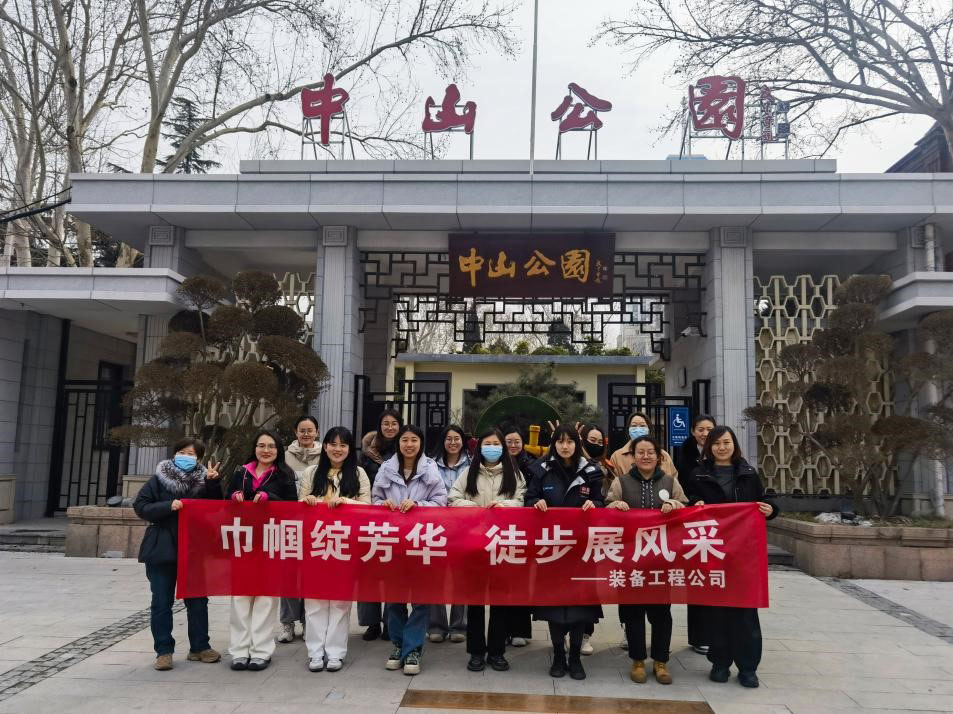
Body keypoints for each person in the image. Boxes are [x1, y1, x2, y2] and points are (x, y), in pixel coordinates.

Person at [690, 425, 779, 689]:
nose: (721, 447)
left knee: (745, 612)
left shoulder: (748, 473)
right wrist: (694, 503)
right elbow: (689, 499)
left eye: (726, 442)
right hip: (713, 552)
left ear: (734, 445)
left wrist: (771, 509)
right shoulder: (698, 474)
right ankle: (720, 663)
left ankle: (748, 667)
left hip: (744, 553)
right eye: (716, 443)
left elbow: (766, 499)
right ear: (709, 447)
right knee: (717, 612)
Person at [134, 438, 223, 671]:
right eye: (182, 452)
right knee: (161, 601)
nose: (186, 457)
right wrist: (167, 506)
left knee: (198, 600)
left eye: (191, 454)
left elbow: (216, 508)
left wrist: (213, 483)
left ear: (199, 459)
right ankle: (164, 651)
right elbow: (141, 506)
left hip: (194, 547)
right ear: (174, 454)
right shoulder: (158, 479)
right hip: (162, 548)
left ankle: (200, 647)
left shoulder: (205, 480)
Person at [606, 434, 688, 686]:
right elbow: (605, 509)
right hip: (630, 560)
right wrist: (614, 506)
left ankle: (661, 661)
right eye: (640, 452)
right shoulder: (621, 482)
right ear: (633, 456)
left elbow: (687, 508)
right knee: (633, 611)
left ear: (658, 456)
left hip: (661, 560)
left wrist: (675, 504)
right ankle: (638, 660)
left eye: (650, 452)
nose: (645, 456)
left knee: (661, 612)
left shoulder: (670, 481)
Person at [524, 424, 604, 681]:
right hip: (552, 551)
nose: (565, 446)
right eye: (560, 441)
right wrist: (535, 502)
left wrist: (595, 504)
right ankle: (559, 655)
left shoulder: (591, 471)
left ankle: (576, 658)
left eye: (570, 441)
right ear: (554, 444)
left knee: (580, 607)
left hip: (582, 550)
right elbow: (529, 498)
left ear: (576, 444)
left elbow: (602, 501)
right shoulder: (541, 469)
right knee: (555, 607)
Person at [448, 428, 527, 673]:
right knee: (475, 602)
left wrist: (503, 505)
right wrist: (474, 508)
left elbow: (521, 501)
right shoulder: (468, 472)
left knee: (500, 602)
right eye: (487, 444)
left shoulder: (514, 474)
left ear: (503, 448)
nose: (492, 448)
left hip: (502, 545)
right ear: (479, 447)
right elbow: (452, 498)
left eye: (496, 444)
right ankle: (476, 652)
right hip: (473, 545)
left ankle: (497, 652)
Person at [372, 424, 448, 676]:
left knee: (421, 598)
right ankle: (398, 644)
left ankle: (413, 647)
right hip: (392, 542)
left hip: (421, 542)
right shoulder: (386, 468)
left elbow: (441, 502)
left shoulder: (431, 468)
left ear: (421, 443)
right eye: (405, 440)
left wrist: (417, 505)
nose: (409, 444)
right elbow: (374, 500)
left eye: (414, 440)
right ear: (398, 443)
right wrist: (383, 505)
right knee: (394, 597)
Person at [299, 426, 371, 672]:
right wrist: (308, 501)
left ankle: (335, 653)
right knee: (315, 600)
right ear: (325, 446)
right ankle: (315, 652)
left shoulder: (359, 474)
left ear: (349, 449)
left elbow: (367, 506)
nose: (337, 449)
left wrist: (346, 502)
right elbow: (299, 506)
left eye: (343, 445)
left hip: (345, 545)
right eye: (333, 444)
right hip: (316, 543)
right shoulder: (311, 472)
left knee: (340, 602)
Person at [225, 429, 298, 672]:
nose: (266, 450)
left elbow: (292, 506)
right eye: (261, 445)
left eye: (271, 446)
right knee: (241, 597)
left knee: (265, 599)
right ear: (254, 448)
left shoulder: (284, 474)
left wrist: (270, 497)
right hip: (243, 542)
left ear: (278, 450)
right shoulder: (241, 472)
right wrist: (234, 496)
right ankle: (239, 650)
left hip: (271, 541)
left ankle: (261, 651)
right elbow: (224, 501)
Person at [358, 409, 403, 641]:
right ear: (379, 426)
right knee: (369, 572)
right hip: (370, 516)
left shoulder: (406, 449)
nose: (390, 427)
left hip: (397, 518)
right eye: (386, 423)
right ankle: (372, 623)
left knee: (393, 574)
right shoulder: (368, 452)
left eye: (394, 423)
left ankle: (390, 622)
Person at [674, 413, 717, 655]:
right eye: (700, 429)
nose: (704, 433)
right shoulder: (684, 453)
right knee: (698, 577)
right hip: (695, 524)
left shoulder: (725, 455)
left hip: (722, 526)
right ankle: (699, 636)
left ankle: (720, 633)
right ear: (692, 431)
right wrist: (693, 501)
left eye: (709, 429)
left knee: (718, 579)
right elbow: (681, 486)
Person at [278, 415, 322, 644]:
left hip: (316, 526)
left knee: (311, 576)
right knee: (288, 575)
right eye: (302, 430)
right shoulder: (284, 456)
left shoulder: (325, 455)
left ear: (317, 432)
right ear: (296, 432)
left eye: (310, 430)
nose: (306, 434)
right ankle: (287, 622)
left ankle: (307, 621)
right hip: (289, 523)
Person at [429, 425, 470, 644]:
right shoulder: (430, 464)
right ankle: (436, 625)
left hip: (464, 526)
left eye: (456, 438)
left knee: (461, 576)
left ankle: (459, 625)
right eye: (448, 438)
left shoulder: (472, 463)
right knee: (435, 575)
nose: (453, 442)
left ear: (463, 440)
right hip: (436, 526)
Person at [499, 422, 535, 648]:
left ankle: (520, 630)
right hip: (499, 530)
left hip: (523, 529)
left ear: (523, 443)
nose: (512, 445)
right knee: (502, 582)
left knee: (521, 581)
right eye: (508, 441)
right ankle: (502, 630)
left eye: (516, 441)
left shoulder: (531, 465)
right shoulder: (496, 463)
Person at [577, 422, 609, 656]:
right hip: (567, 537)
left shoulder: (605, 467)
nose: (595, 445)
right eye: (591, 440)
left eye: (599, 442)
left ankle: (585, 634)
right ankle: (565, 633)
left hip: (593, 538)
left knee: (589, 586)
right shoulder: (572, 464)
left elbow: (603, 500)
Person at [609, 411, 677, 479]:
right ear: (628, 430)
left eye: (642, 426)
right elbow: (613, 483)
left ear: (649, 429)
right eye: (634, 426)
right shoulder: (617, 457)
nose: (638, 429)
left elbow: (673, 480)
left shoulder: (663, 455)